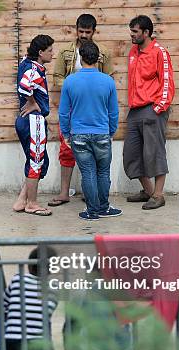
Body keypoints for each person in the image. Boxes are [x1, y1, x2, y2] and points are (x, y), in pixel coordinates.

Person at [50, 14, 115, 208]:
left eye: (88, 32)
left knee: (95, 155)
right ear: (76, 30)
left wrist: (85, 85)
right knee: (66, 151)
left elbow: (109, 77)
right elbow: (56, 77)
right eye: (81, 31)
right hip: (73, 107)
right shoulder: (65, 52)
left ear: (94, 31)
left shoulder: (102, 52)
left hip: (94, 109)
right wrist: (75, 86)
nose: (84, 35)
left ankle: (91, 195)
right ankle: (64, 193)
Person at [58, 41, 121, 221]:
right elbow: (113, 111)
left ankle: (92, 211)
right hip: (102, 133)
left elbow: (63, 112)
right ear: (98, 58)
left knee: (88, 172)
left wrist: (66, 134)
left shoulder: (70, 81)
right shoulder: (108, 81)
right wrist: (111, 131)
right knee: (103, 172)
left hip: (78, 134)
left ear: (80, 57)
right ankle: (103, 207)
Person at [124, 15, 175, 210]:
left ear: (146, 32)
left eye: (135, 31)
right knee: (131, 155)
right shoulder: (133, 52)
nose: (132, 35)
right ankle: (148, 191)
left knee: (154, 153)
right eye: (131, 31)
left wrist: (158, 108)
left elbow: (167, 82)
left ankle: (159, 195)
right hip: (135, 110)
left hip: (153, 109)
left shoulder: (159, 52)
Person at [12, 34, 55, 216]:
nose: (53, 53)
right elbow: (24, 86)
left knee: (36, 160)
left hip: (25, 120)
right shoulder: (34, 69)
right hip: (33, 119)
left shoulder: (27, 63)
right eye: (50, 50)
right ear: (40, 52)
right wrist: (32, 102)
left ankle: (22, 200)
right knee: (37, 161)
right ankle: (32, 203)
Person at [2, 247, 58, 350]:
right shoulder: (55, 290)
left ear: (29, 266)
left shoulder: (18, 279)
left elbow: (4, 306)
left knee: (0, 316)